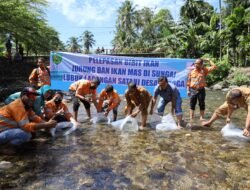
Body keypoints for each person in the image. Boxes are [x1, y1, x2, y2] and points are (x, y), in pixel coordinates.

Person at [187, 58, 217, 125]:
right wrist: (187, 90)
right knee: (192, 104)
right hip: (192, 90)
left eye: (197, 63)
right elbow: (188, 82)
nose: (195, 65)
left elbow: (214, 67)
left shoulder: (204, 70)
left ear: (201, 64)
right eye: (195, 63)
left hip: (201, 90)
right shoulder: (191, 71)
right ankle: (191, 118)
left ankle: (201, 117)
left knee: (201, 103)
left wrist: (209, 60)